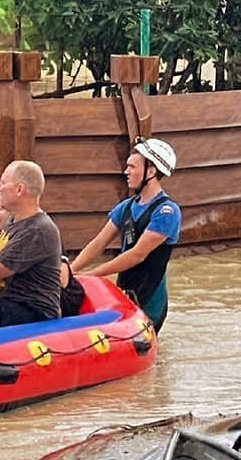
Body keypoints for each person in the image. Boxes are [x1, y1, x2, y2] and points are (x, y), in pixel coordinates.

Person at [70, 137, 180, 333]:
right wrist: (71, 271)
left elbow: (137, 254)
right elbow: (98, 244)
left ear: (151, 171)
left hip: (151, 300)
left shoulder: (167, 212)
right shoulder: (126, 207)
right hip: (125, 292)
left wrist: (92, 275)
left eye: (132, 167)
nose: (125, 172)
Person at [0, 160, 62, 328]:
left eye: (3, 182)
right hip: (5, 305)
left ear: (19, 189)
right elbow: (1, 257)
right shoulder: (15, 221)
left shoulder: (38, 229)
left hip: (29, 312)